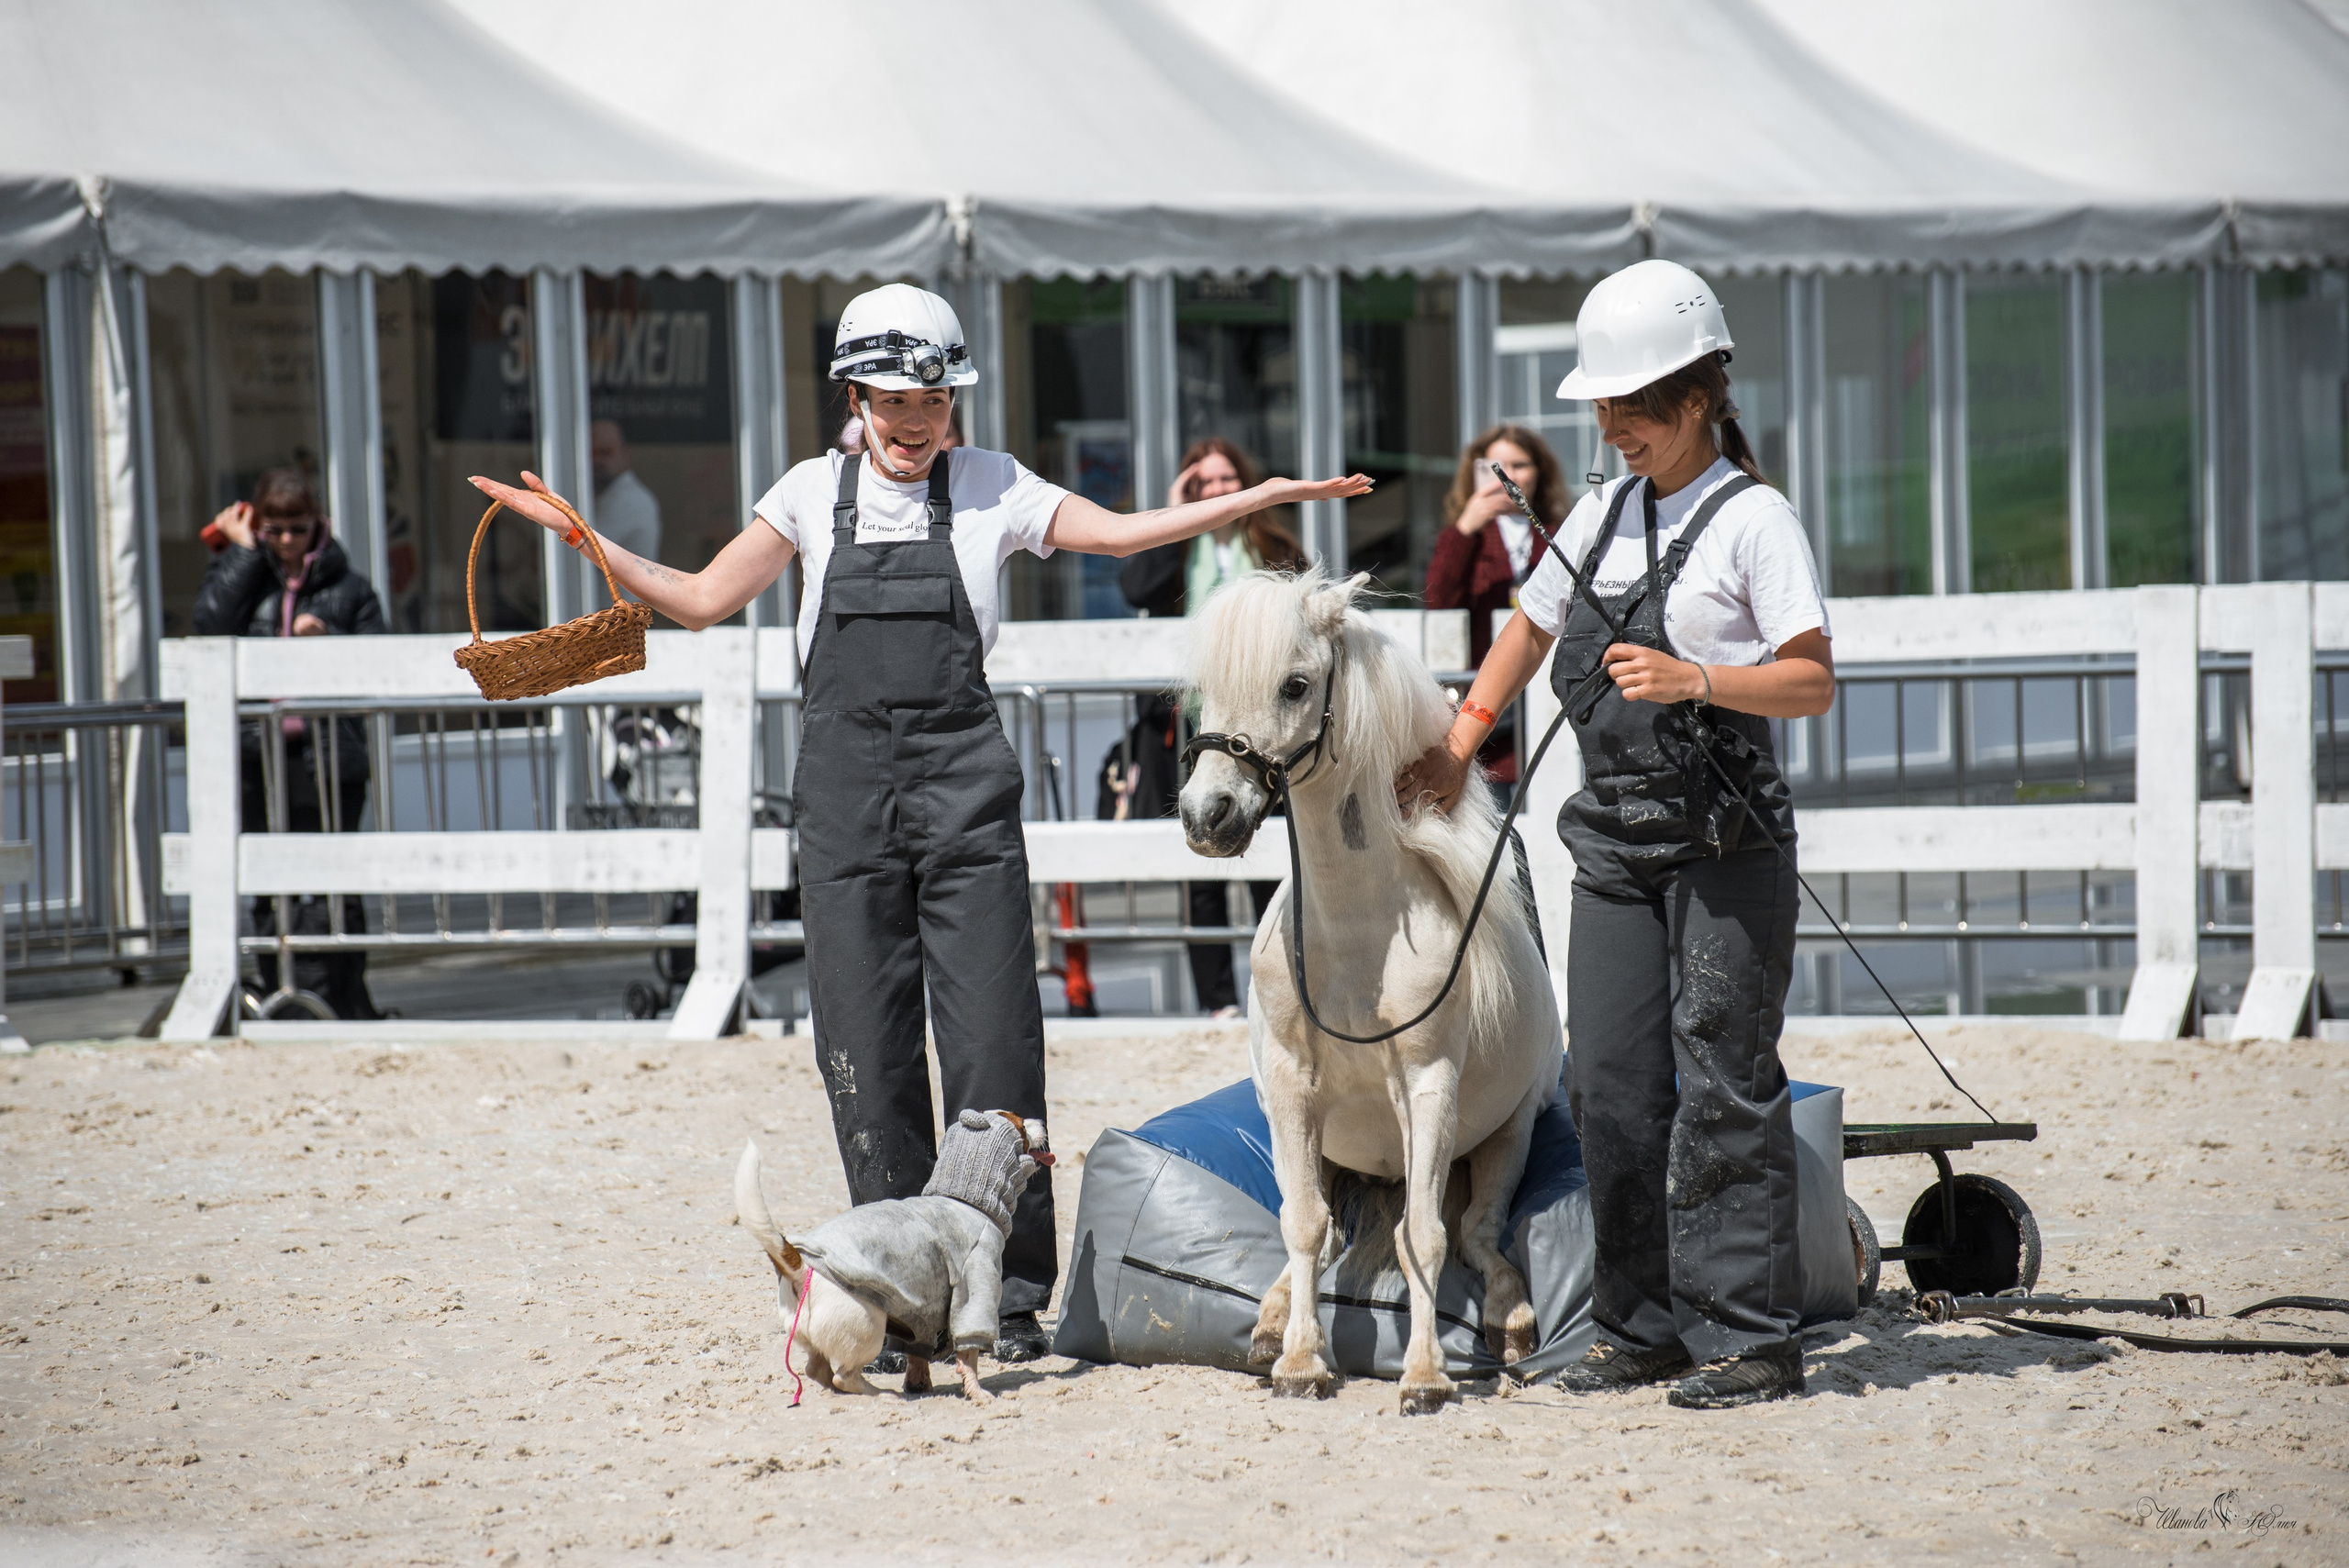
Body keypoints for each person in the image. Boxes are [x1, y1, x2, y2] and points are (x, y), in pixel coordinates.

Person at [471, 284, 1370, 1362]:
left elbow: (1123, 533)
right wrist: (581, 536)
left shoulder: (993, 487)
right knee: (864, 1041)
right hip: (846, 805)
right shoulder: (810, 493)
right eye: (894, 400)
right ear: (855, 395)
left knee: (995, 1037)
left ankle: (1017, 1283)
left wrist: (1250, 498)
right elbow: (704, 597)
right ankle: (903, 1277)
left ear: (955, 402)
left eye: (933, 401)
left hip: (964, 797)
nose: (913, 421)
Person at [1395, 260, 1835, 1410]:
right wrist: (1457, 742)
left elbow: (1810, 682)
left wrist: (1696, 675)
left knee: (1721, 1079)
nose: (1610, 427)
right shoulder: (1598, 511)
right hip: (1613, 848)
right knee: (1609, 1085)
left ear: (1696, 396)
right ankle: (1639, 1324)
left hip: (1725, 845)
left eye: (1630, 408)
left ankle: (1750, 1335)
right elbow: (1524, 636)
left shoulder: (1755, 519)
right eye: (1601, 409)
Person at [1115, 438, 1306, 1016]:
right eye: (1204, 484)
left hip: (1262, 731)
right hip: (1191, 725)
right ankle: (1218, 1002)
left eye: (1226, 480)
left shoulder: (1274, 547)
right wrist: (1174, 511)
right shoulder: (1178, 550)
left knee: (1265, 856)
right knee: (1200, 853)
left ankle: (1276, 991)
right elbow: (1136, 588)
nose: (1217, 492)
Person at [192, 467, 388, 1020]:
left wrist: (329, 641)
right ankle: (278, 989)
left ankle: (340, 993)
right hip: (261, 754)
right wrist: (243, 554)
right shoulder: (248, 572)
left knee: (333, 878)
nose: (284, 542)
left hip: (328, 757)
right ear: (258, 527)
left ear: (317, 526)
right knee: (266, 876)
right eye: (272, 531)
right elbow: (208, 624)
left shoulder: (349, 587)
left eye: (295, 530)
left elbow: (383, 658)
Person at [1424, 425, 1571, 795]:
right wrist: (1466, 526)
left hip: (1548, 693)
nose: (1508, 475)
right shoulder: (1466, 537)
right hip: (1484, 694)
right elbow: (1438, 601)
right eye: (1495, 465)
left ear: (1540, 472)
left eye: (1520, 464)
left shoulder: (1559, 532)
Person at [587, 420, 661, 610]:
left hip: (618, 626)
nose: (597, 461)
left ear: (626, 455)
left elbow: (581, 550)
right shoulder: (607, 496)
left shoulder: (629, 499)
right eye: (591, 453)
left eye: (605, 452)